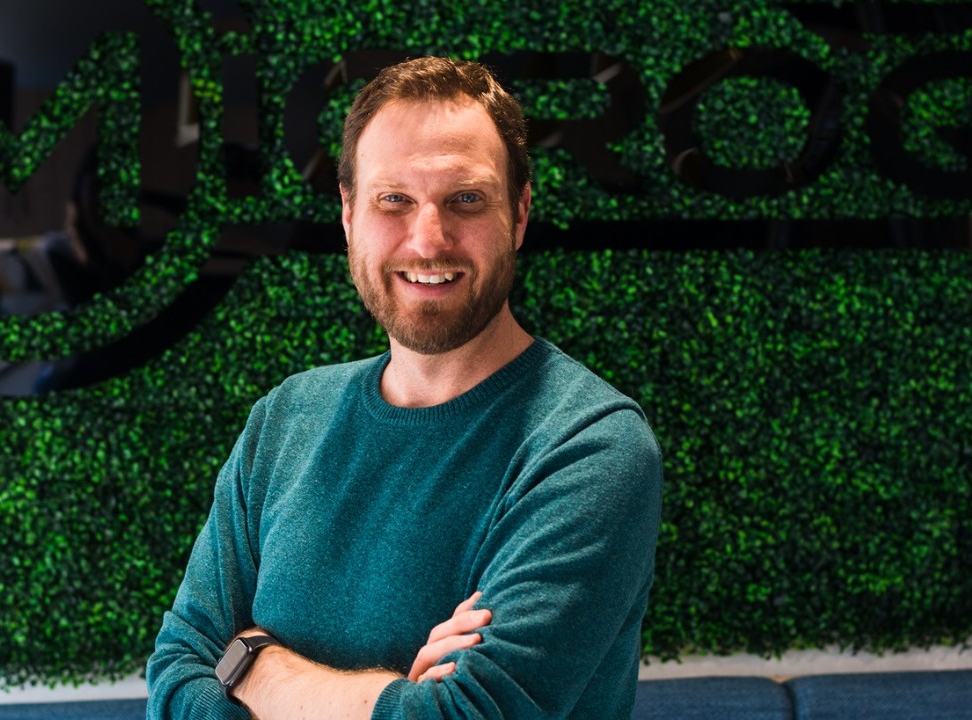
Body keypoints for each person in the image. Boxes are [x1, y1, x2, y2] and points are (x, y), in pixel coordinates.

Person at [146, 55, 663, 719]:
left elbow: (466, 715)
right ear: (349, 214)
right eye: (395, 201)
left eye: (466, 200)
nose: (428, 240)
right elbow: (175, 671)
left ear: (520, 214)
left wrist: (253, 663)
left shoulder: (590, 447)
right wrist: (395, 697)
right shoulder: (286, 419)